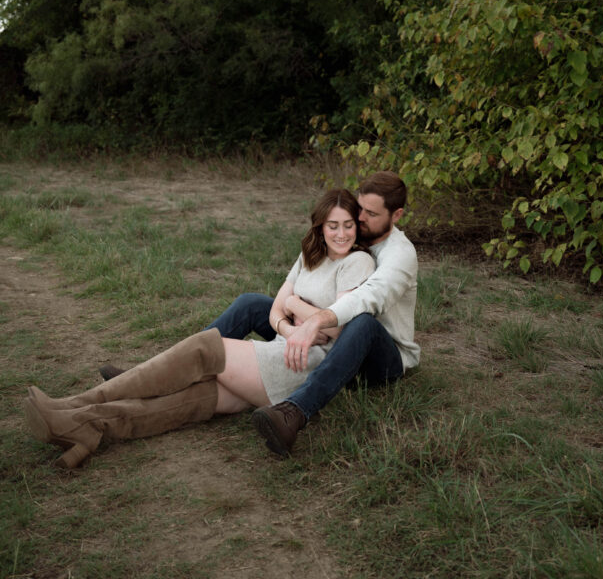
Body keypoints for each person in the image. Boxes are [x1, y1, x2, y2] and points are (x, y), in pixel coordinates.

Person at [24, 189, 374, 469]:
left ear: (357, 228)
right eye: (333, 225)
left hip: (305, 364)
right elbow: (274, 310)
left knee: (204, 350)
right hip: (285, 348)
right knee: (190, 400)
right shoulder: (311, 256)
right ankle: (88, 426)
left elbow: (337, 329)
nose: (341, 233)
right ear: (319, 227)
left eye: (348, 225)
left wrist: (296, 312)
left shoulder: (357, 262)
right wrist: (294, 318)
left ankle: (73, 404)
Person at [214, 170, 420, 458]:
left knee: (363, 323)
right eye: (359, 208)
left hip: (381, 358)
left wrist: (312, 319)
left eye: (371, 213)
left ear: (396, 215)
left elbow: (366, 299)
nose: (360, 218)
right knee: (250, 303)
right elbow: (293, 285)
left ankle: (294, 413)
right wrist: (290, 325)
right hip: (332, 342)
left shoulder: (400, 255)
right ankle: (179, 359)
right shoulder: (351, 230)